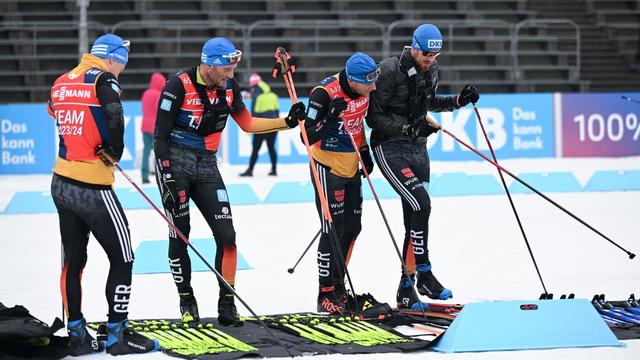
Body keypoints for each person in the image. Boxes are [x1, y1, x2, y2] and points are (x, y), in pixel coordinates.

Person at [153, 37, 306, 326]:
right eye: (227, 69)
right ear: (210, 65)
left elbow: (247, 124)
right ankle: (187, 299)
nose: (231, 75)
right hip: (177, 161)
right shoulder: (178, 85)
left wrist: (285, 122)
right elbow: (159, 136)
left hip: (207, 163)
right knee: (180, 233)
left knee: (227, 237)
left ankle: (227, 302)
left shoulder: (229, 88)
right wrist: (168, 175)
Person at [47, 34, 159, 356]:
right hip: (93, 187)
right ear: (111, 58)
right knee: (123, 258)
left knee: (73, 261)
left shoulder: (61, 81)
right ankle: (116, 335)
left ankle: (77, 334)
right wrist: (115, 150)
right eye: (122, 62)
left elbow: (56, 111)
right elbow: (115, 114)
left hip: (61, 181)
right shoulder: (104, 78)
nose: (122, 69)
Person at [366, 24, 480, 310]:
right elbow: (373, 117)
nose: (431, 59)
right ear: (414, 47)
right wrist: (408, 128)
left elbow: (426, 103)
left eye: (436, 54)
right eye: (427, 53)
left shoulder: (432, 69)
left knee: (415, 216)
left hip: (418, 150)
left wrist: (457, 101)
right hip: (389, 147)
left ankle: (407, 287)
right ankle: (425, 273)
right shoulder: (389, 70)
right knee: (422, 203)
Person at [302, 52, 377, 314]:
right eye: (369, 81)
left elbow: (357, 127)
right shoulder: (323, 93)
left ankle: (338, 285)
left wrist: (365, 152)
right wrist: (330, 119)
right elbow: (306, 136)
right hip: (327, 166)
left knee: (353, 228)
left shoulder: (364, 92)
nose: (373, 86)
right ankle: (324, 293)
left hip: (351, 165)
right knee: (330, 228)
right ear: (354, 80)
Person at [239, 72, 280, 177]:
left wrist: (251, 126)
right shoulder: (273, 96)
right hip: (273, 125)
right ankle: (274, 170)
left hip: (261, 125)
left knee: (256, 149)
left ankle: (250, 170)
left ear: (254, 85)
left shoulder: (258, 96)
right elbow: (277, 112)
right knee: (271, 147)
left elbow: (254, 113)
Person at [140, 72, 166, 183]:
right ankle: (158, 173)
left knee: (146, 151)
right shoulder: (159, 94)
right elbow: (160, 111)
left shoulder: (146, 93)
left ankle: (144, 175)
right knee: (159, 152)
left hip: (145, 125)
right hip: (155, 126)